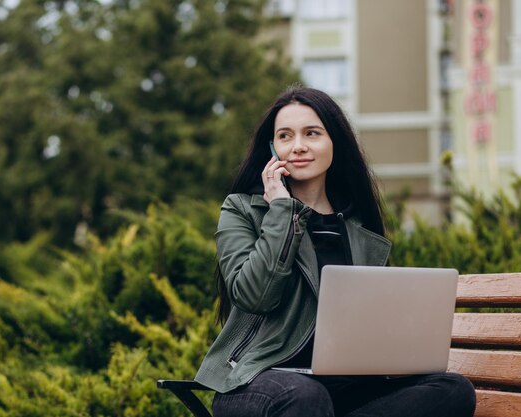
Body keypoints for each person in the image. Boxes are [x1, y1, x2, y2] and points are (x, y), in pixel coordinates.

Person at [195, 86, 476, 417]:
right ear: (272, 149)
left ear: (334, 144)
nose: (298, 146)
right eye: (285, 136)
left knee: (452, 390)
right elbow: (255, 296)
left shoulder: (358, 228)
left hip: (342, 386)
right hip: (255, 381)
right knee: (306, 397)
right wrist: (282, 212)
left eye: (312, 133)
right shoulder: (242, 210)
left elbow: (372, 324)